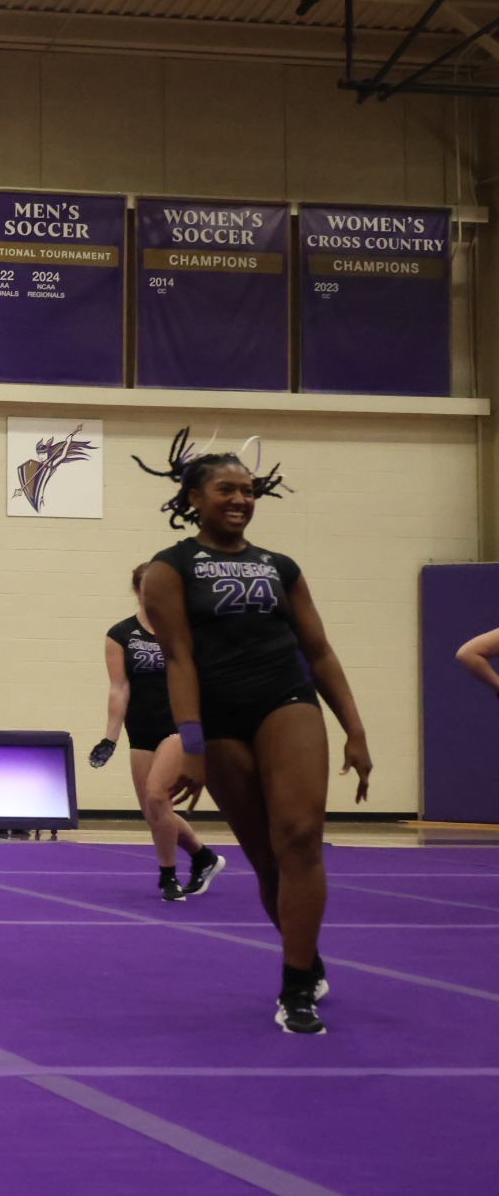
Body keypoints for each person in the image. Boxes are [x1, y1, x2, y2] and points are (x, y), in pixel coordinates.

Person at [135, 429, 370, 1034]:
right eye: (226, 490)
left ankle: (296, 989)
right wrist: (190, 744)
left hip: (284, 700)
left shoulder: (279, 566)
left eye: (248, 490)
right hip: (218, 717)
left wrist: (355, 729)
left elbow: (318, 651)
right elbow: (180, 660)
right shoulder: (170, 569)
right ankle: (305, 956)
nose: (240, 499)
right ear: (193, 498)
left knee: (299, 836)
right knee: (267, 860)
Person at [90, 562, 223, 902]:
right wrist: (111, 737)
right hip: (142, 728)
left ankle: (168, 877)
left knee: (156, 796)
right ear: (138, 591)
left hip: (177, 726)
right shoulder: (120, 634)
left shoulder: (185, 631)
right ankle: (204, 857)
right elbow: (119, 688)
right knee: (154, 812)